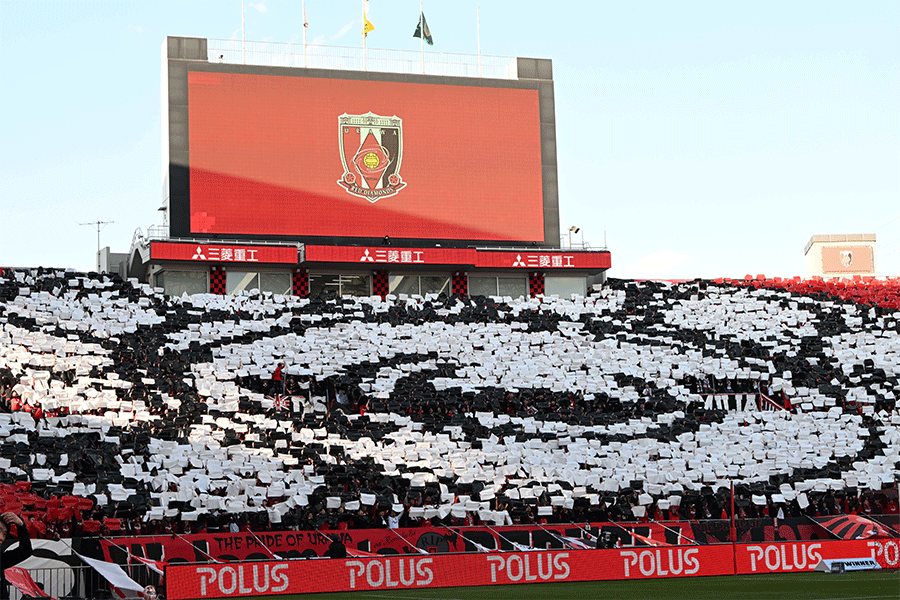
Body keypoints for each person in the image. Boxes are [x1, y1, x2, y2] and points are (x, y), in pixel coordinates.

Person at [0, 511, 33, 600]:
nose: (1, 537)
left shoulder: (1, 558)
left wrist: (21, 526)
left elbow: (25, 551)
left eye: (4, 534)